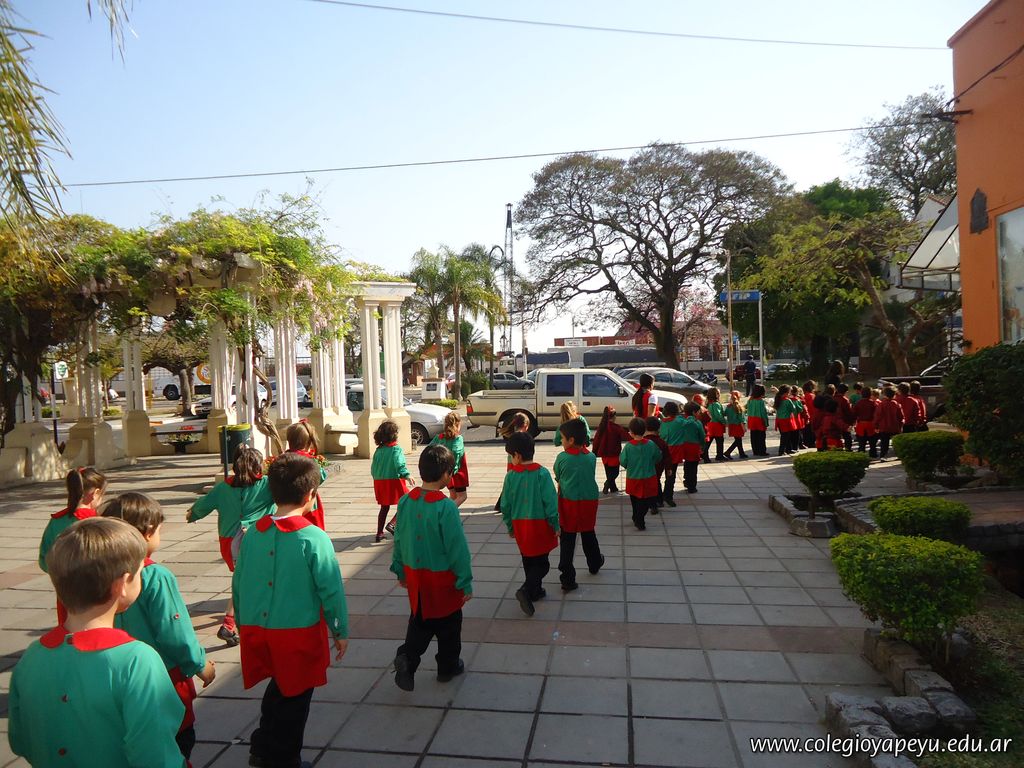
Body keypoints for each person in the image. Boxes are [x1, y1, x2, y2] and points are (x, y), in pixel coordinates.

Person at [10, 517, 186, 767]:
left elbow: (20, 741)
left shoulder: (33, 656)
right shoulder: (138, 660)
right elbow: (156, 755)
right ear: (122, 584)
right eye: (139, 573)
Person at [233, 453, 349, 768]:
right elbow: (331, 589)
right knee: (295, 698)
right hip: (297, 634)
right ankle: (284, 758)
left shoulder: (253, 534)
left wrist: (242, 622)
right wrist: (339, 629)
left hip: (258, 628)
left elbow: (239, 582)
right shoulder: (313, 537)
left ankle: (262, 746)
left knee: (278, 688)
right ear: (310, 495)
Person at [104, 493, 216, 763]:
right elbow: (175, 633)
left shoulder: (100, 575)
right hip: (163, 679)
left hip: (115, 677)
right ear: (147, 533)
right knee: (177, 742)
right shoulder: (155, 576)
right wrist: (200, 664)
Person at [391, 444, 473, 691]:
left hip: (416, 578)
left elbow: (398, 538)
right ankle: (447, 667)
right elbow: (457, 548)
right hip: (443, 580)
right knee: (449, 627)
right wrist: (465, 580)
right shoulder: (446, 507)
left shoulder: (405, 501)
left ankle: (408, 659)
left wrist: (399, 568)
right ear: (447, 475)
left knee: (420, 622)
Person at [187, 445, 275, 645]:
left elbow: (201, 506)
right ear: (258, 466)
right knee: (248, 582)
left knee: (246, 579)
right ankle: (230, 624)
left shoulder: (223, 488)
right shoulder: (266, 485)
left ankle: (241, 620)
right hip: (255, 539)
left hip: (230, 542)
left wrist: (192, 514)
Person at [500, 432, 559, 617]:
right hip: (540, 524)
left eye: (511, 456)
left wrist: (510, 526)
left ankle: (535, 591)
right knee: (543, 564)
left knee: (528, 559)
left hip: (520, 525)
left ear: (517, 455)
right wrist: (555, 524)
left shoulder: (510, 476)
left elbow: (505, 505)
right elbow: (551, 502)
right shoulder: (542, 473)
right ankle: (526, 590)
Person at [39, 467, 108, 624]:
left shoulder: (57, 521)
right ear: (96, 493)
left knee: (69, 627)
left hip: (66, 591)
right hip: (97, 590)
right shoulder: (99, 522)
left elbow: (44, 559)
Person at [553, 418, 603, 592]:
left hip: (568, 503)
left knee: (568, 539)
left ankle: (567, 578)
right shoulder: (591, 457)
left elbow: (558, 474)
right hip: (589, 502)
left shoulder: (562, 457)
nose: (561, 441)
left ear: (571, 440)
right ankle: (595, 563)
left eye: (562, 438)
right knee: (589, 533)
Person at [370, 420, 412, 542]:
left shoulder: (379, 450)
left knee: (384, 507)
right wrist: (406, 475)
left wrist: (377, 477)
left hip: (379, 481)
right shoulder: (395, 449)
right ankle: (393, 523)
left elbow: (373, 468)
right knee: (407, 502)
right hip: (393, 480)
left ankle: (379, 533)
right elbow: (399, 463)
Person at [620, 417, 662, 531]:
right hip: (648, 477)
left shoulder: (628, 446)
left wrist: (628, 465)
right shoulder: (651, 444)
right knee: (645, 501)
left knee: (634, 499)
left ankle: (636, 517)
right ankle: (639, 519)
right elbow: (658, 457)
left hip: (633, 477)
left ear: (631, 432)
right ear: (644, 430)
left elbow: (623, 461)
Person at [285, 421, 328, 529]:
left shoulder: (284, 458)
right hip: (308, 502)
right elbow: (321, 477)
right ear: (309, 442)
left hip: (287, 501)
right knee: (311, 527)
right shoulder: (309, 461)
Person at [431, 412, 469, 507]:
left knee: (453, 495)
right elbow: (457, 453)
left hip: (445, 471)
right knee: (462, 496)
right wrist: (453, 470)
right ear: (458, 424)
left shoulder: (439, 437)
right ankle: (446, 512)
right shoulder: (458, 439)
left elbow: (429, 449)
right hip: (457, 472)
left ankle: (443, 510)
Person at [592, 406, 630, 494]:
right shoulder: (616, 427)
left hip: (604, 455)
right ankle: (607, 483)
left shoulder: (601, 427)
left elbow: (596, 440)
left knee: (608, 472)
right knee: (615, 472)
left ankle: (613, 488)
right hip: (614, 454)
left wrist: (594, 451)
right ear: (614, 416)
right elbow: (626, 437)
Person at [658, 401, 686, 505]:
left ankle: (658, 498)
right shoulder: (680, 421)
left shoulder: (662, 423)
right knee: (671, 475)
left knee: (658, 474)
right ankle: (668, 496)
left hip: (662, 451)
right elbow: (689, 421)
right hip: (675, 452)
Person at [643, 416, 672, 512]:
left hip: (646, 468)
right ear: (659, 428)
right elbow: (667, 457)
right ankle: (659, 500)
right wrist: (669, 468)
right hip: (659, 466)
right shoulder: (662, 442)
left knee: (649, 485)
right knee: (657, 482)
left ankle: (652, 504)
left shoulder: (643, 441)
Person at [679, 403, 706, 493]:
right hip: (694, 446)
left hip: (684, 445)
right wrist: (703, 446)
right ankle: (692, 486)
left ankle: (686, 480)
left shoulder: (682, 421)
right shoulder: (697, 423)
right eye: (698, 412)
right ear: (694, 412)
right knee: (693, 467)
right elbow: (702, 436)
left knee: (687, 464)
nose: (699, 413)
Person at [873, 386, 904, 459]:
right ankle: (899, 455)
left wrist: (876, 426)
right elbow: (901, 417)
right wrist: (901, 425)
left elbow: (877, 416)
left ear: (884, 395)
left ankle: (883, 456)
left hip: (884, 427)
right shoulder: (896, 404)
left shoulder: (881, 404)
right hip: (895, 427)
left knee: (884, 443)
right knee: (896, 442)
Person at [853, 387, 880, 457]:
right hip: (871, 425)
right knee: (872, 443)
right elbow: (877, 415)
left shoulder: (858, 403)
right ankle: (873, 454)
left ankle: (861, 456)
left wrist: (853, 423)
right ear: (870, 394)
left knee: (861, 443)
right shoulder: (873, 403)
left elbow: (854, 414)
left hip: (861, 425)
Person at [722, 390, 748, 459]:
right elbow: (741, 418)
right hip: (738, 425)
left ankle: (741, 453)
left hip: (731, 425)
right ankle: (728, 452)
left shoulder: (728, 407)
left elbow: (724, 413)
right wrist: (744, 427)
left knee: (738, 440)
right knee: (738, 440)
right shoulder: (738, 406)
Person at [774, 385, 799, 456]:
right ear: (786, 393)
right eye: (789, 392)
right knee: (786, 436)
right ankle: (781, 451)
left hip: (779, 419)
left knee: (784, 435)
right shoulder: (787, 400)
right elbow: (793, 409)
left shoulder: (778, 399)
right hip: (786, 420)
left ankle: (788, 449)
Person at [745, 384, 770, 456]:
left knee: (753, 436)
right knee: (761, 437)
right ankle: (762, 451)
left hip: (751, 419)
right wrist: (766, 422)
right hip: (759, 419)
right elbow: (763, 413)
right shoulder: (761, 401)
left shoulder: (750, 400)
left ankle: (755, 451)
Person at [705, 387, 728, 461]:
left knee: (709, 441)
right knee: (719, 441)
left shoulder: (708, 404)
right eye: (718, 393)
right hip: (717, 425)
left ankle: (705, 455)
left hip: (710, 424)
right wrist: (724, 422)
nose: (720, 394)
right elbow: (718, 415)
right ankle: (719, 455)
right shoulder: (716, 404)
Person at [835, 383, 855, 451]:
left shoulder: (833, 398)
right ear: (846, 391)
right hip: (844, 420)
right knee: (847, 437)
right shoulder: (845, 400)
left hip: (834, 420)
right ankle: (848, 449)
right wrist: (852, 421)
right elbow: (848, 412)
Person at [801, 381, 818, 450]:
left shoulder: (804, 396)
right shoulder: (812, 396)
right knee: (811, 432)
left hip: (806, 417)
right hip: (812, 416)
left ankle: (806, 443)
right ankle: (811, 443)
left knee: (806, 431)